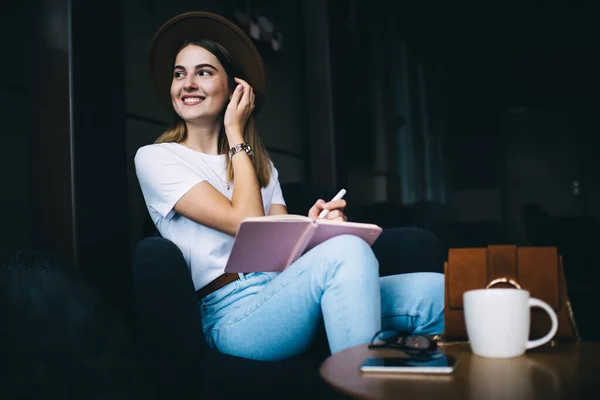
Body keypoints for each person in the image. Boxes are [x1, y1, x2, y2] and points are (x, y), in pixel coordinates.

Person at [134, 11, 444, 362]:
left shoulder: (259, 165)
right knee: (347, 252)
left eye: (203, 72)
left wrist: (314, 229)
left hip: (286, 292)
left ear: (236, 87)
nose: (187, 84)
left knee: (436, 292)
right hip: (232, 315)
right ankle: (359, 385)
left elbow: (279, 253)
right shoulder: (157, 158)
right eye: (179, 74)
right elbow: (245, 220)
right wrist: (236, 133)